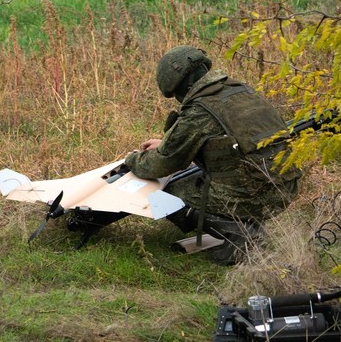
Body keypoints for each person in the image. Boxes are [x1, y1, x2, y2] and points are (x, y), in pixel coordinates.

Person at [124, 45, 302, 265]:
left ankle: (241, 236)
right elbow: (226, 139)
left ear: (180, 87)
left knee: (162, 193)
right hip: (285, 187)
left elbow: (160, 165)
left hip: (256, 194)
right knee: (202, 177)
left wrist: (132, 160)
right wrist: (166, 143)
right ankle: (250, 224)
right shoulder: (240, 90)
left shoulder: (200, 110)